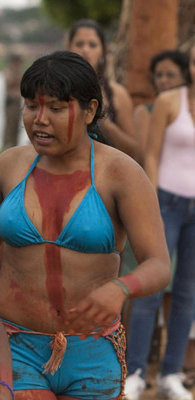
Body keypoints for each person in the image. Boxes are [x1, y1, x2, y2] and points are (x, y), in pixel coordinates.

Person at [0, 51, 170, 399]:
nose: (39, 120)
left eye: (56, 109)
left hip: (92, 349)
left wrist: (120, 288)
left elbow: (158, 265)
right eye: (30, 106)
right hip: (16, 344)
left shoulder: (121, 173)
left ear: (89, 110)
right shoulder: (10, 166)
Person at [124, 44, 195, 400]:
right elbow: (150, 153)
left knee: (186, 294)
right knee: (151, 288)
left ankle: (171, 374)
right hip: (166, 202)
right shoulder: (170, 102)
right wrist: (151, 201)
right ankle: (135, 371)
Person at [67, 19, 141, 163]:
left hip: (107, 172)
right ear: (68, 47)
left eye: (92, 45)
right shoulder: (56, 90)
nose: (85, 50)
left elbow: (133, 150)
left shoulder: (116, 93)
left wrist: (104, 121)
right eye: (79, 44)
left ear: (103, 50)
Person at [133, 50, 190, 157]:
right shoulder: (144, 112)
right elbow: (144, 155)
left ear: (185, 77)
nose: (163, 80)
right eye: (158, 75)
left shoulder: (190, 109)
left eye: (170, 75)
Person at [2, 54, 24, 149]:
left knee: (16, 124)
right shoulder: (8, 70)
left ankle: (15, 145)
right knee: (9, 124)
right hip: (11, 101)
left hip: (18, 100)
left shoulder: (19, 71)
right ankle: (7, 145)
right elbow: (10, 82)